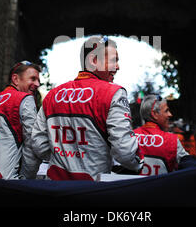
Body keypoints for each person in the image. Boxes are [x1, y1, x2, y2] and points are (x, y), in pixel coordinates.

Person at [31, 36, 143, 180]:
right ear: (93, 60)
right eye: (114, 60)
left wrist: (65, 157)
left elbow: (39, 144)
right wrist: (140, 164)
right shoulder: (113, 93)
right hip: (91, 189)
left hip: (54, 187)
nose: (117, 67)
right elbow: (125, 152)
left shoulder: (53, 94)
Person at [134, 95, 196, 175]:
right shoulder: (171, 139)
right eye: (166, 111)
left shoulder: (130, 136)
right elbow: (191, 165)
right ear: (154, 114)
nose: (170, 114)